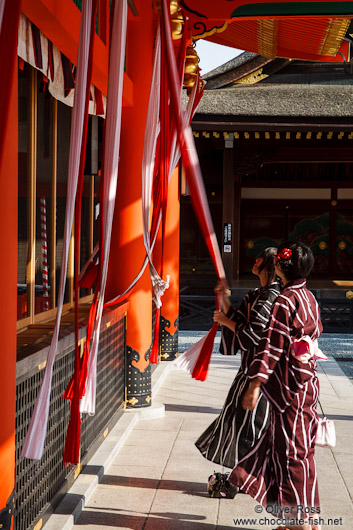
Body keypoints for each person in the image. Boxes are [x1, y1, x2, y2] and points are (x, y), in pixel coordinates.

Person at [226, 242, 322, 530]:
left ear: (281, 266)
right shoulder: (308, 298)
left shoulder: (284, 300)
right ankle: (309, 517)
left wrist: (255, 384)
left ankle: (298, 523)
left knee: (290, 454)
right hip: (307, 382)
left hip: (289, 387)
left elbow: (273, 347)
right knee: (303, 453)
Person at [195, 247, 281, 497]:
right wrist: (224, 300)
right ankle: (244, 480)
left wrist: (224, 321)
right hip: (249, 372)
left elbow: (252, 334)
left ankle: (240, 481)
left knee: (250, 429)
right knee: (242, 426)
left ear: (268, 265)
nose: (254, 261)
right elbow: (240, 319)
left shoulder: (271, 297)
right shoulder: (258, 294)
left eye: (259, 258)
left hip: (262, 376)